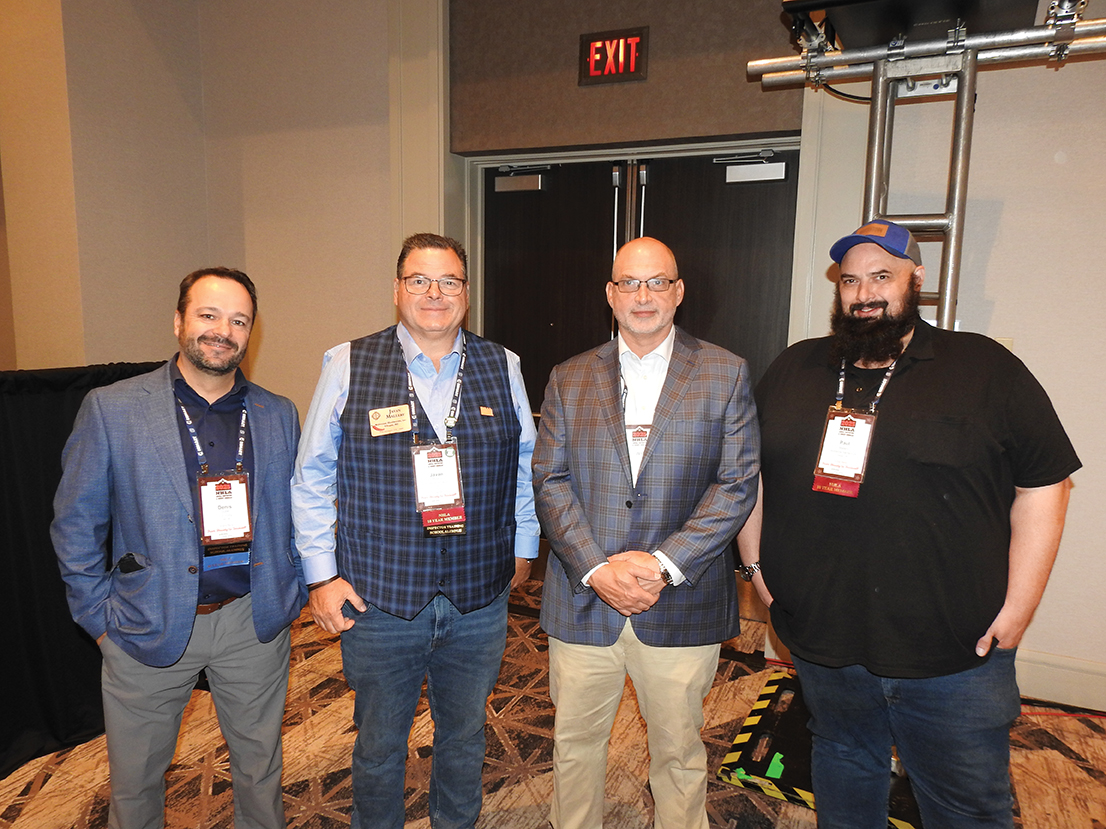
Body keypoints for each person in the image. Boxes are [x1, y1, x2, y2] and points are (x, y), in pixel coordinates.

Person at [737, 219, 1081, 829]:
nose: (864, 293)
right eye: (851, 280)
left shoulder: (983, 366)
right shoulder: (795, 368)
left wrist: (1019, 608)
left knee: (965, 807)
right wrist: (756, 569)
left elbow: (1045, 484)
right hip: (824, 641)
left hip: (953, 651)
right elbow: (749, 476)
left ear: (915, 279)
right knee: (844, 765)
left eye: (882, 276)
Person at [291, 232, 539, 829]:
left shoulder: (503, 365)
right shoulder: (348, 362)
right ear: (397, 290)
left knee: (465, 735)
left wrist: (524, 547)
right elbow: (311, 475)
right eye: (420, 280)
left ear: (466, 293)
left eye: (449, 281)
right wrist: (321, 576)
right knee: (379, 744)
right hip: (379, 598)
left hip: (478, 598)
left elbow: (525, 466)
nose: (435, 293)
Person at [51, 267, 306, 829]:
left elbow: (296, 510)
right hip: (147, 618)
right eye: (208, 315)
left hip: (252, 622)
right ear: (178, 321)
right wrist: (97, 619)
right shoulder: (113, 408)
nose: (223, 331)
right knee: (136, 782)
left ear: (251, 332)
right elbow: (75, 522)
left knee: (260, 770)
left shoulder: (278, 412)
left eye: (238, 320)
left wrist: (291, 589)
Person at [533, 236, 760, 829]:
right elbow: (550, 481)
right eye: (629, 283)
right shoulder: (568, 377)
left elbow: (736, 484)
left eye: (657, 282)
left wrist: (662, 565)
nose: (643, 296)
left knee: (680, 754)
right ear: (610, 294)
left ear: (678, 292)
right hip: (584, 600)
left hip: (680, 599)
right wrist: (595, 567)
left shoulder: (725, 372)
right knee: (574, 747)